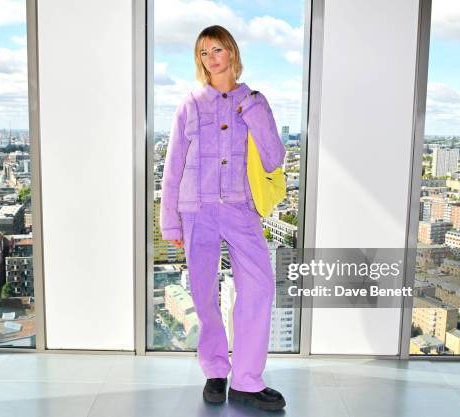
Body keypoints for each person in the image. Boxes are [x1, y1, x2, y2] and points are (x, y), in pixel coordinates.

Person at [160, 24, 287, 411]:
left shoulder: (255, 101)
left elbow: (274, 157)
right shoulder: (190, 104)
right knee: (202, 292)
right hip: (195, 210)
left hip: (240, 209)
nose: (211, 58)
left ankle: (247, 379)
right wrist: (170, 221)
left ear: (231, 52)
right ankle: (216, 371)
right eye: (203, 52)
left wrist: (251, 108)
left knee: (260, 288)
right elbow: (173, 165)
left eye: (217, 49)